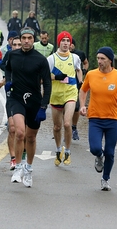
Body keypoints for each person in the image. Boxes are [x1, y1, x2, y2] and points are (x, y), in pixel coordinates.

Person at [79, 46, 117, 191]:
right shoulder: (91, 74)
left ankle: (105, 179)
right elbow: (83, 90)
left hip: (112, 119)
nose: (99, 61)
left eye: (102, 59)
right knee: (95, 148)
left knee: (110, 152)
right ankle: (98, 156)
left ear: (110, 60)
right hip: (95, 117)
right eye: (98, 58)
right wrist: (82, 105)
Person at [5, 27, 51, 187]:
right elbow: (8, 68)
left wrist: (43, 107)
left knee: (30, 138)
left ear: (33, 40)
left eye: (29, 38)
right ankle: (18, 167)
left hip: (34, 101)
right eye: (23, 38)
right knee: (19, 133)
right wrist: (9, 81)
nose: (25, 41)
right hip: (17, 98)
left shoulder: (40, 60)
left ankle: (29, 169)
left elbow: (47, 83)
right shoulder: (13, 55)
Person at [47, 31, 82, 166]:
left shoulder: (75, 58)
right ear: (59, 42)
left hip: (70, 93)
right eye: (63, 41)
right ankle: (58, 150)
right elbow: (44, 76)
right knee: (57, 127)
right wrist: (56, 77)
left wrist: (80, 82)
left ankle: (67, 151)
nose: (66, 43)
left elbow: (79, 69)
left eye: (68, 41)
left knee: (67, 124)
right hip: (55, 95)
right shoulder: (51, 59)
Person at [0, 36, 23, 170]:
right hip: (12, 94)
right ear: (11, 46)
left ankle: (22, 155)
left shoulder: (28, 57)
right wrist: (5, 81)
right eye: (15, 45)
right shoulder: (9, 56)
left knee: (23, 131)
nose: (17, 47)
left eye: (19, 45)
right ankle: (13, 158)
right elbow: (6, 69)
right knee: (12, 128)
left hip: (26, 96)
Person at [70, 38, 89, 140]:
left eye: (72, 44)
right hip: (63, 83)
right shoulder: (60, 54)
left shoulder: (79, 54)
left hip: (77, 82)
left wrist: (84, 70)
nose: (70, 45)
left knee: (76, 107)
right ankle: (64, 128)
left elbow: (86, 62)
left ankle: (73, 127)